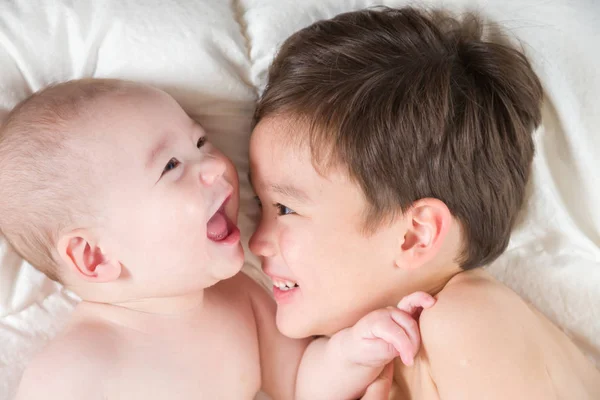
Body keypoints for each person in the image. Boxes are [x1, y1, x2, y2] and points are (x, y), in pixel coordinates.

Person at [0, 78, 432, 400]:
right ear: (94, 256)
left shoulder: (241, 299)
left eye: (201, 141)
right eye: (171, 165)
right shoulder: (73, 371)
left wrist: (354, 352)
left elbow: (303, 384)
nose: (213, 166)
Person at [249, 6, 600, 399]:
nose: (256, 241)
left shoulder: (466, 320)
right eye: (260, 205)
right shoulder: (359, 355)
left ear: (413, 236)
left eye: (285, 209)